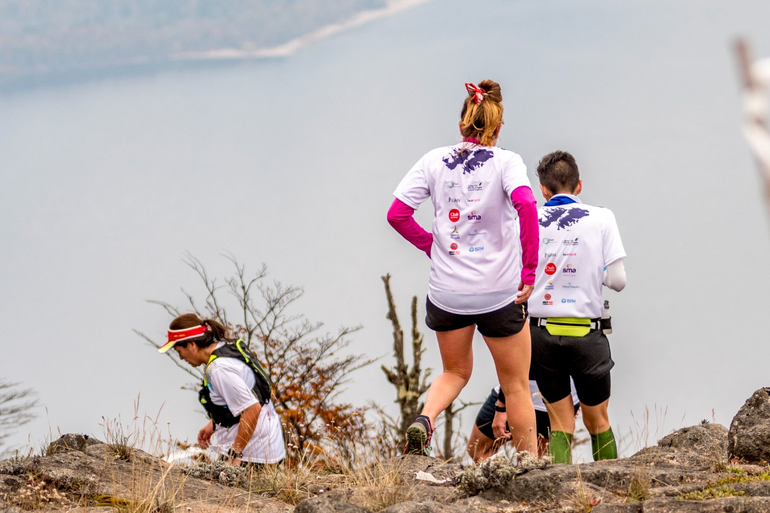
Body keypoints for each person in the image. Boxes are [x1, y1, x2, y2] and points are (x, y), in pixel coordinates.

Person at [388, 80, 540, 456]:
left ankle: (425, 418)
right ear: (498, 127)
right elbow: (527, 207)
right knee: (516, 385)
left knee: (454, 372)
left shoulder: (433, 160)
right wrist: (530, 271)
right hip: (499, 293)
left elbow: (397, 214)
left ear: (461, 124)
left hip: (448, 293)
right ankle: (529, 468)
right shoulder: (507, 162)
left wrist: (432, 247)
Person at [528, 151, 626, 463]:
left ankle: (561, 497)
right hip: (587, 335)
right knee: (597, 420)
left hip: (540, 336)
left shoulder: (528, 219)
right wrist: (596, 273)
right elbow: (619, 281)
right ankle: (611, 487)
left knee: (559, 423)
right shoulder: (601, 217)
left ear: (543, 190)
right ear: (579, 185)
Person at [158, 313, 286, 467]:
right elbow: (247, 395)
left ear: (192, 344)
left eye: (179, 351)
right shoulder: (227, 348)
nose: (181, 358)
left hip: (252, 456)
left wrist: (235, 454)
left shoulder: (219, 369)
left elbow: (252, 409)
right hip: (267, 446)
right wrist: (215, 423)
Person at [467, 379, 579, 462]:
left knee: (479, 450)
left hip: (517, 395)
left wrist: (501, 405)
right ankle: (507, 483)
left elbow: (513, 361)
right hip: (562, 400)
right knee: (539, 462)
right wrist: (579, 399)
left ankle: (506, 484)